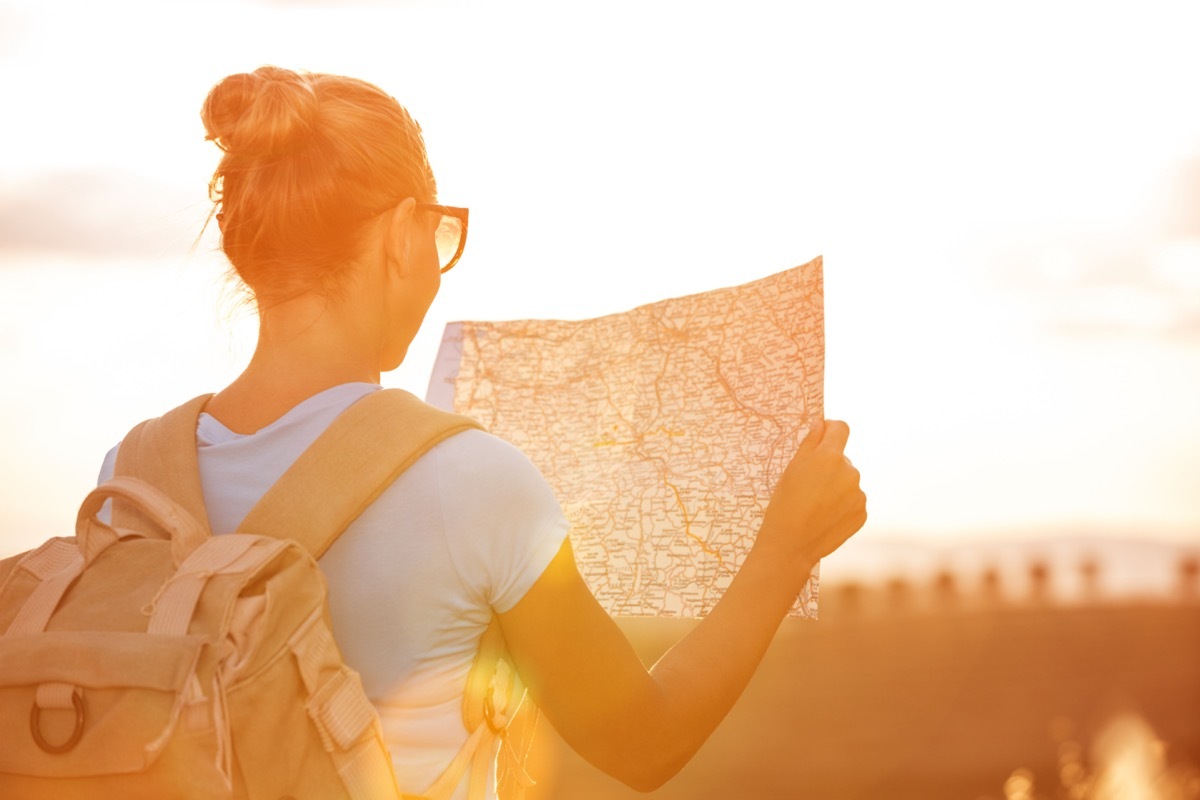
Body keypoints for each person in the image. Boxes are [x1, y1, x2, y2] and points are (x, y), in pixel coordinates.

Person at [99, 66, 866, 799]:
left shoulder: (129, 478)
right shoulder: (472, 480)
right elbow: (645, 741)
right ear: (405, 234)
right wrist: (785, 550)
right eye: (438, 237)